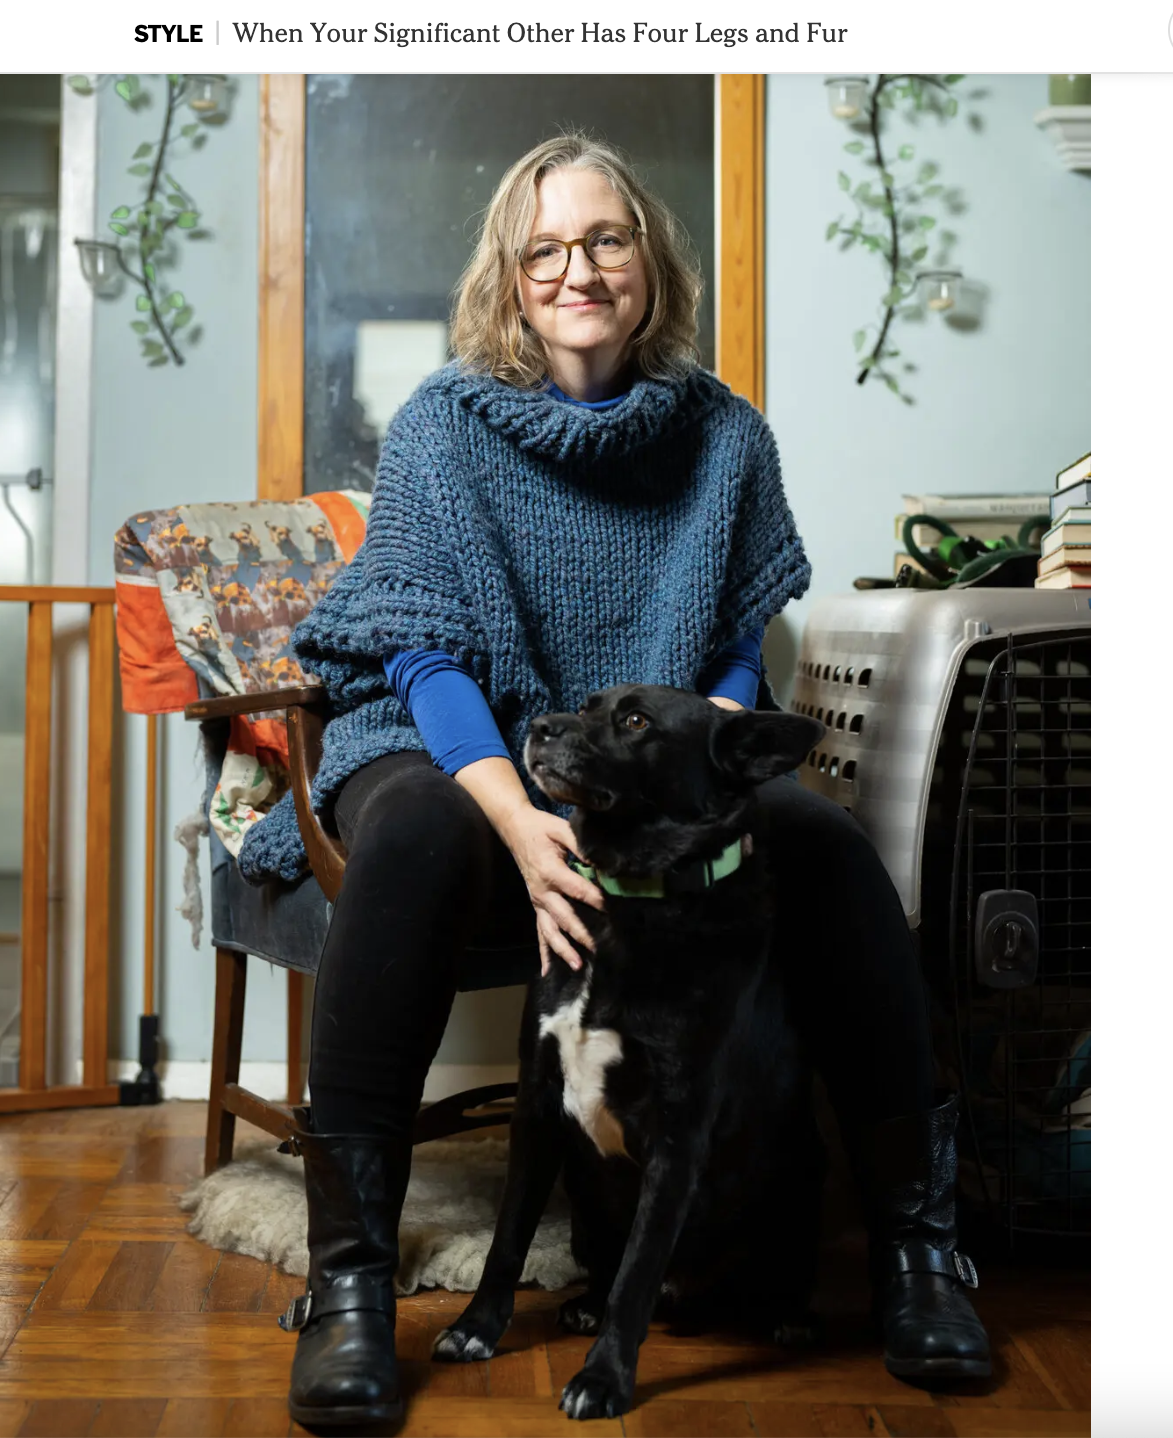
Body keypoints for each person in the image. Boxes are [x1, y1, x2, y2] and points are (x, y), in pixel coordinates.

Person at [240, 132, 991, 1429]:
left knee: (819, 840)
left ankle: (922, 1249)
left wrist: (699, 780)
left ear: (648, 258)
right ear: (509, 277)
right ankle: (353, 1279)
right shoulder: (442, 426)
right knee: (416, 837)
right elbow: (422, 644)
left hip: (645, 766)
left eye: (603, 239)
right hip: (459, 742)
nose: (575, 268)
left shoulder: (725, 437)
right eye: (544, 248)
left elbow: (727, 663)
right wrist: (523, 821)